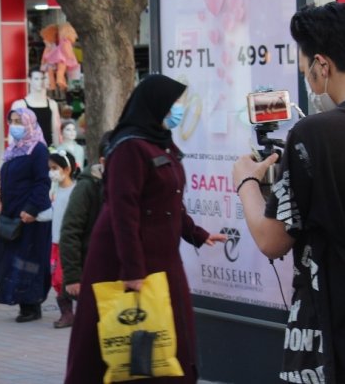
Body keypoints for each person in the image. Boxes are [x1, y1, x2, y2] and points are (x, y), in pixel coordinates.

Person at [233, 2, 345, 383]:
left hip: (337, 334)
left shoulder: (316, 134)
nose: (308, 80)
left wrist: (246, 181)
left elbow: (272, 240)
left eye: (306, 69)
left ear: (322, 65)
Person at [65, 74, 226, 384]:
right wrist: (132, 270)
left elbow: (171, 201)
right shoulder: (129, 147)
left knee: (169, 340)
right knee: (120, 343)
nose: (177, 109)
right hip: (126, 260)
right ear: (155, 104)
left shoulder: (160, 144)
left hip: (162, 259)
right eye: (172, 103)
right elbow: (123, 213)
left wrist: (198, 234)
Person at [0, 108, 52, 322]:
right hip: (11, 216)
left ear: (30, 123)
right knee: (8, 260)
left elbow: (42, 182)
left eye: (19, 121)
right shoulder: (14, 150)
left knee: (28, 262)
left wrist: (32, 209)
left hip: (30, 218)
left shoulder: (38, 150)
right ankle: (20, 300)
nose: (15, 125)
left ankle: (31, 304)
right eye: (12, 121)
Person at [59, 131, 111, 300]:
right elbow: (70, 231)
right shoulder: (87, 186)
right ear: (103, 161)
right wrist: (73, 277)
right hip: (93, 271)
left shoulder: (128, 184)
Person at [45, 149, 78, 328]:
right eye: (50, 168)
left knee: (64, 278)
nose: (52, 172)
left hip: (68, 242)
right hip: (55, 242)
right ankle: (67, 313)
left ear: (67, 169)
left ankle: (70, 314)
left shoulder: (76, 191)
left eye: (55, 168)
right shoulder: (55, 191)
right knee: (56, 280)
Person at [11, 66, 61, 146]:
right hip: (27, 151)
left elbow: (56, 131)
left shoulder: (52, 104)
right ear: (29, 80)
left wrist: (58, 151)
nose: (40, 82)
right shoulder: (19, 105)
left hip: (46, 149)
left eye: (42, 79)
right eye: (36, 79)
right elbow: (13, 134)